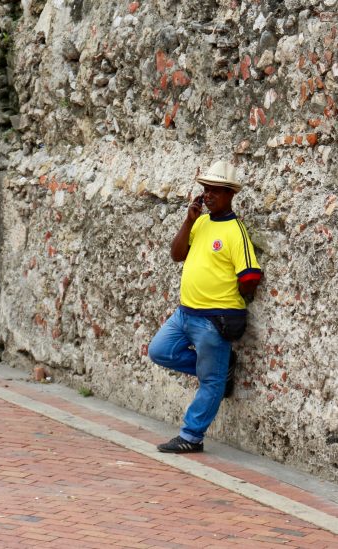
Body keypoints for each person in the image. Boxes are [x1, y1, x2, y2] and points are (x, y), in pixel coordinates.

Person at [148, 160, 262, 453]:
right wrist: (188, 219)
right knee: (160, 351)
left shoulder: (235, 231)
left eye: (216, 190)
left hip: (214, 319)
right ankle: (222, 369)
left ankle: (191, 437)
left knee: (211, 382)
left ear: (230, 194)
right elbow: (176, 254)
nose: (209, 195)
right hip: (185, 313)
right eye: (206, 189)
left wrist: (229, 298)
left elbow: (250, 276)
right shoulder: (199, 222)